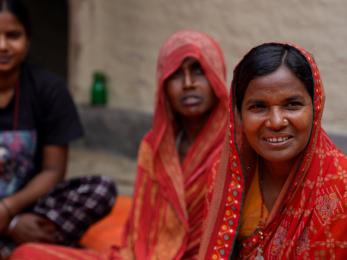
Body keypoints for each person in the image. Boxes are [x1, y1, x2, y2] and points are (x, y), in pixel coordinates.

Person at [10, 30, 229, 259]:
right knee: (27, 254)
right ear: (163, 85)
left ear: (216, 76)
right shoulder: (154, 148)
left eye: (198, 71)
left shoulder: (234, 149)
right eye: (176, 74)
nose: (188, 84)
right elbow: (139, 236)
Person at [198, 42, 347, 259]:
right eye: (258, 106)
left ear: (315, 106)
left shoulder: (341, 187)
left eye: (292, 104)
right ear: (238, 114)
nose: (276, 122)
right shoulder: (226, 175)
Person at [0, 0, 116, 258]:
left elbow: (53, 171)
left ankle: (19, 244)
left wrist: (8, 211)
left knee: (101, 189)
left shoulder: (49, 89)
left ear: (28, 39)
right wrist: (10, 224)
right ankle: (23, 244)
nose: (3, 46)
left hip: (28, 206)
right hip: (12, 219)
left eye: (13, 36)